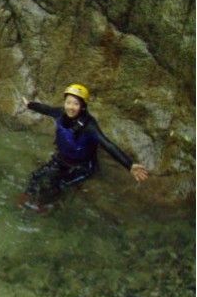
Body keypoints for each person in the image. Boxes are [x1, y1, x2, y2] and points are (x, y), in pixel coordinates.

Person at [20, 83, 149, 209]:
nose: (71, 107)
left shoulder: (89, 125)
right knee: (36, 176)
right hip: (62, 159)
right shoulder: (60, 113)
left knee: (59, 184)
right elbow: (47, 109)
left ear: (82, 106)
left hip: (83, 167)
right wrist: (30, 105)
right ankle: (25, 197)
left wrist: (129, 165)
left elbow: (107, 144)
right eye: (68, 102)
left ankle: (47, 206)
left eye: (76, 103)